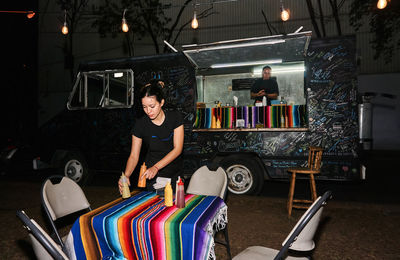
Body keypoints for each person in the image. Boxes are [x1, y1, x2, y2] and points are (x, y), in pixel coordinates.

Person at [118, 80, 184, 193]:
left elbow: (177, 149)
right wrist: (126, 175)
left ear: (161, 102)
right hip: (151, 175)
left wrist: (156, 167)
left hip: (173, 173)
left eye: (152, 106)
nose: (148, 111)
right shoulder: (140, 125)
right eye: (144, 107)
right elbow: (134, 156)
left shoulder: (175, 118)